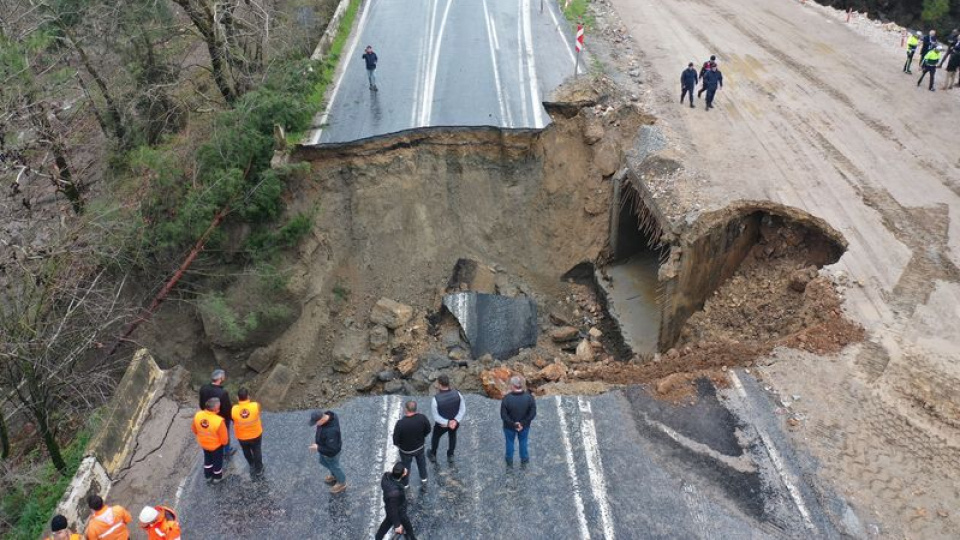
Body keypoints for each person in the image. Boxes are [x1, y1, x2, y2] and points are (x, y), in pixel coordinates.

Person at [393, 400, 431, 487]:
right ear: (415, 409)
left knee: (406, 468)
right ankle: (424, 478)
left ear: (406, 409)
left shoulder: (400, 424)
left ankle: (405, 484)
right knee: (421, 463)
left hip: (406, 451)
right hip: (419, 448)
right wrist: (422, 437)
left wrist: (399, 445)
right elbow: (428, 429)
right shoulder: (422, 418)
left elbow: (395, 439)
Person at [375, 462, 417, 540]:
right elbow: (393, 509)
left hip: (391, 507)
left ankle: (378, 537)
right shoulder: (395, 494)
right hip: (399, 510)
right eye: (404, 471)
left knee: (386, 524)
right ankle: (412, 538)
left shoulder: (386, 477)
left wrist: (403, 475)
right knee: (407, 525)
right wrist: (397, 525)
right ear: (402, 474)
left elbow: (401, 480)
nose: (406, 470)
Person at [428, 375, 465, 463]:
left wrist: (447, 422)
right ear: (448, 383)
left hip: (442, 424)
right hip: (455, 423)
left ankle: (433, 454)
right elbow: (462, 409)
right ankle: (450, 455)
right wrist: (455, 420)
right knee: (452, 436)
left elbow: (436, 416)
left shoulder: (435, 399)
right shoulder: (458, 394)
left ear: (440, 385)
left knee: (436, 437)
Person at [500, 376, 536, 465]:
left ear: (513, 385)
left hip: (509, 427)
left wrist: (514, 424)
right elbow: (532, 413)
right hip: (524, 426)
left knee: (510, 443)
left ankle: (509, 461)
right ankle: (524, 460)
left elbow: (503, 415)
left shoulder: (506, 399)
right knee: (523, 442)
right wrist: (522, 423)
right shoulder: (529, 397)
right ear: (520, 385)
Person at [192, 397, 229, 483]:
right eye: (219, 407)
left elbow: (194, 429)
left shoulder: (198, 415)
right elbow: (224, 439)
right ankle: (217, 477)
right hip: (216, 446)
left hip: (204, 444)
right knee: (217, 461)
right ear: (215, 409)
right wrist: (224, 444)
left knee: (207, 459)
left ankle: (208, 475)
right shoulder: (218, 421)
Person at [309, 409, 347, 493]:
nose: (316, 425)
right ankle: (334, 475)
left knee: (335, 467)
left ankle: (342, 482)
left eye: (316, 422)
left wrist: (318, 447)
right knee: (322, 461)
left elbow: (332, 450)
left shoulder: (331, 432)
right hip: (324, 448)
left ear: (322, 419)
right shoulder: (328, 415)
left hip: (331, 454)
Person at [199, 369, 234, 457]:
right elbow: (227, 409)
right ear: (221, 378)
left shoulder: (203, 388)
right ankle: (227, 452)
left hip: (207, 416)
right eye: (224, 376)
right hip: (220, 419)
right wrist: (232, 418)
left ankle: (217, 449)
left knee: (213, 434)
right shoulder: (222, 393)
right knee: (224, 435)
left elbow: (201, 403)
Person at [232, 387, 264, 476]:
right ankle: (259, 469)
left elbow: (234, 419)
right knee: (257, 451)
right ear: (248, 397)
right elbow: (258, 413)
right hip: (256, 434)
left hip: (242, 436)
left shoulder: (234, 409)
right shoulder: (255, 405)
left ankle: (251, 465)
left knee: (246, 451)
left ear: (237, 398)